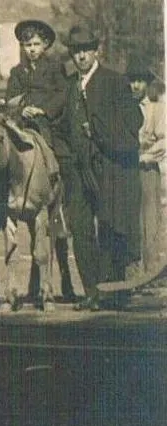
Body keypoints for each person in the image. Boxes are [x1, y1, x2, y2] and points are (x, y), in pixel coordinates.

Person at [61, 25, 143, 310]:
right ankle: (92, 292)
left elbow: (133, 123)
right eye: (76, 51)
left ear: (96, 51)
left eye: (86, 50)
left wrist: (96, 131)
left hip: (109, 168)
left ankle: (113, 289)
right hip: (78, 170)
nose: (81, 56)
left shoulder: (114, 81)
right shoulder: (69, 85)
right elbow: (62, 128)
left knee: (110, 227)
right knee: (81, 229)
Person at [4, 19, 77, 302]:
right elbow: (11, 97)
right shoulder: (16, 72)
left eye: (35, 45)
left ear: (45, 45)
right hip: (22, 121)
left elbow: (62, 97)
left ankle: (58, 192)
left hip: (47, 124)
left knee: (57, 152)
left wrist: (43, 110)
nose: (31, 50)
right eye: (27, 45)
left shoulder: (55, 69)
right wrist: (22, 108)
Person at [128, 56, 166, 279]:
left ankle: (151, 271)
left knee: (149, 221)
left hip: (147, 170)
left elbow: (163, 142)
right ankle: (133, 271)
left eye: (140, 81)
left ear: (147, 84)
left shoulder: (156, 110)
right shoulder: (122, 108)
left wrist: (144, 156)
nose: (136, 86)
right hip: (126, 170)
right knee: (130, 219)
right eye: (132, 81)